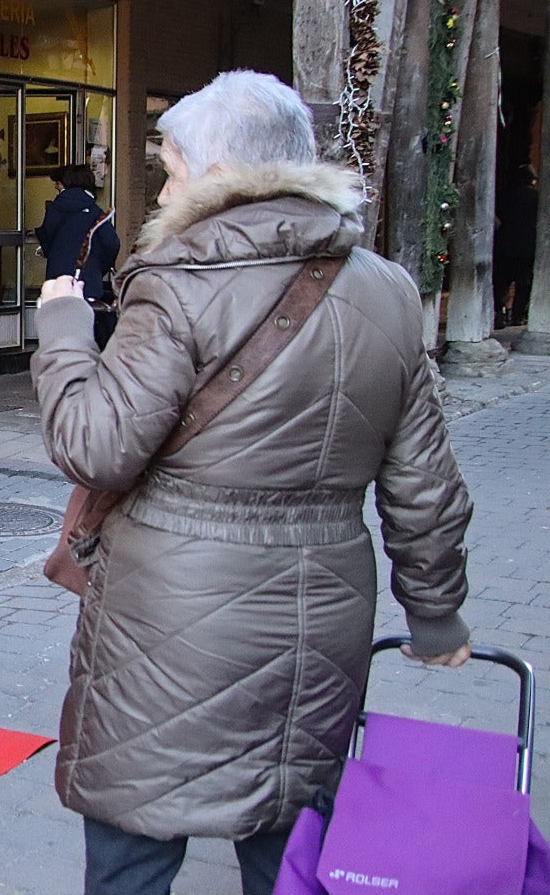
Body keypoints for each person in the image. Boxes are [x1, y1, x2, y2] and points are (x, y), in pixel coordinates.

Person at [30, 71, 472, 895]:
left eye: (171, 169)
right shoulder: (388, 289)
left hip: (167, 619)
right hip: (323, 614)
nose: (166, 190)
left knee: (135, 844)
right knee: (289, 848)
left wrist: (61, 330)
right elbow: (425, 482)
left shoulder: (178, 280)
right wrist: (436, 613)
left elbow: (97, 448)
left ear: (223, 172)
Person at [36, 163, 118, 302]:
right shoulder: (95, 212)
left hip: (57, 282)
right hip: (89, 282)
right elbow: (112, 243)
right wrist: (98, 267)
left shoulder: (54, 209)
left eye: (58, 183)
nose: (56, 186)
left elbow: (47, 240)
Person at [493, 165, 539, 326]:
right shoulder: (537, 197)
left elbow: (496, 220)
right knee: (524, 283)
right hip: (527, 246)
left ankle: (498, 311)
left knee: (500, 282)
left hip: (503, 245)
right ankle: (517, 316)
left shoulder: (502, 195)